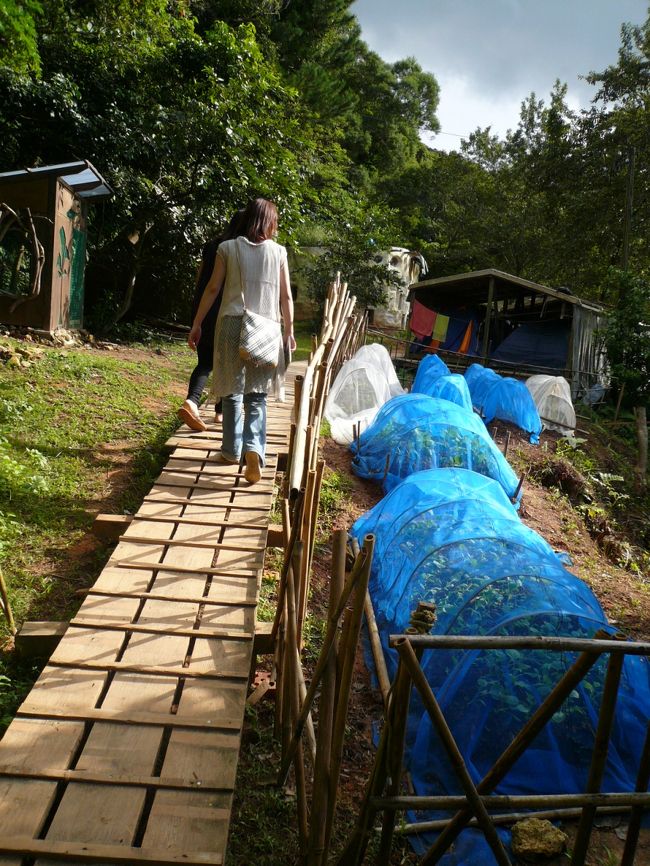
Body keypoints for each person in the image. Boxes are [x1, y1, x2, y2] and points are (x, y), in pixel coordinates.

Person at [188, 197, 296, 483]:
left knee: (231, 390)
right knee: (257, 395)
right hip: (265, 329)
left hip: (231, 325)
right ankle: (254, 450)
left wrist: (197, 323)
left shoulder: (227, 248)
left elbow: (213, 289)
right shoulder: (279, 252)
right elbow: (286, 296)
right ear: (269, 222)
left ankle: (230, 450)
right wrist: (289, 330)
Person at [178, 210, 245, 432]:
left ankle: (192, 402)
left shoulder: (212, 245)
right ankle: (220, 412)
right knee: (228, 364)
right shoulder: (239, 249)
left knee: (205, 362)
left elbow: (200, 278)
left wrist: (197, 316)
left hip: (203, 307)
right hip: (226, 311)